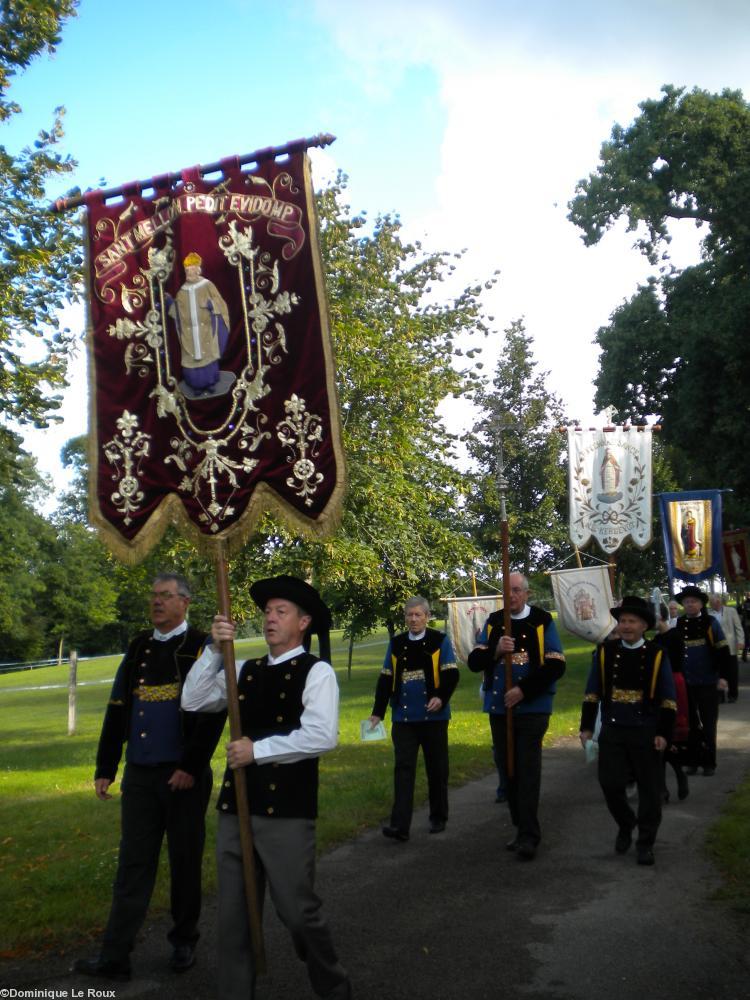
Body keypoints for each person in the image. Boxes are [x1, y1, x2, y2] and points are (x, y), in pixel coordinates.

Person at [181, 575, 351, 1000]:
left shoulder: (317, 672)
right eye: (267, 612)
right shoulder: (246, 670)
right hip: (234, 808)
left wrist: (256, 751)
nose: (270, 619)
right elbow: (193, 699)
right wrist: (215, 651)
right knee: (234, 918)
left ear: (304, 622)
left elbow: (321, 735)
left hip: (286, 811)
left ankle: (332, 986)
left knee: (298, 913)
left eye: (281, 612)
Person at [74, 574, 226, 981]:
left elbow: (213, 715)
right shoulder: (139, 645)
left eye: (165, 596)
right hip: (140, 776)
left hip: (183, 777)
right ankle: (115, 954)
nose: (157, 602)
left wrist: (190, 767)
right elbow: (118, 707)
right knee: (133, 864)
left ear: (185, 602)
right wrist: (106, 767)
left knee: (183, 863)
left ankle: (183, 942)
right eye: (153, 595)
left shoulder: (202, 646)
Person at [467, 573, 566, 860]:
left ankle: (529, 836)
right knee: (506, 767)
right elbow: (475, 661)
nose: (511, 596)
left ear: (527, 593)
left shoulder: (541, 621)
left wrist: (524, 690)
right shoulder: (495, 621)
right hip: (500, 708)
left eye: (516, 590)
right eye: (506, 591)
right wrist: (496, 651)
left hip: (532, 707)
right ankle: (519, 827)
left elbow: (556, 664)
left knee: (526, 768)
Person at [580, 596, 676, 866]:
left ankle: (645, 842)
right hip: (613, 729)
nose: (626, 626)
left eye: (632, 621)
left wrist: (663, 733)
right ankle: (626, 823)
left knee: (650, 790)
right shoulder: (605, 653)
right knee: (610, 783)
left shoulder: (658, 655)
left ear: (644, 625)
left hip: (646, 730)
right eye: (622, 621)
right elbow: (592, 693)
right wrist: (587, 727)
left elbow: (668, 698)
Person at [369, 596, 459, 841]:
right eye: (409, 615)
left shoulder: (440, 641)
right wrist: (378, 712)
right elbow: (386, 678)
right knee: (403, 769)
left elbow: (451, 674)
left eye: (418, 615)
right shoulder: (396, 643)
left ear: (427, 617)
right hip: (404, 718)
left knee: (437, 769)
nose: (413, 619)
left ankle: (438, 816)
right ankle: (400, 826)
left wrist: (441, 697)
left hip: (434, 717)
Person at [675, 585, 730, 775]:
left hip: (708, 680)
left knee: (708, 722)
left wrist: (723, 677)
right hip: (686, 683)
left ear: (701, 604)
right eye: (686, 601)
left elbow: (723, 651)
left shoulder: (711, 622)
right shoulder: (678, 623)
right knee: (689, 722)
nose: (689, 604)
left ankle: (708, 762)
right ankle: (692, 760)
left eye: (693, 601)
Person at [168, 251, 231, 392]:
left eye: (191, 270)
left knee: (207, 356)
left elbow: (220, 303)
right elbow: (176, 310)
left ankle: (210, 383)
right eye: (187, 270)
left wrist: (211, 305)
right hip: (189, 334)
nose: (189, 273)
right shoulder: (182, 291)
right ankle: (195, 385)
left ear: (198, 269)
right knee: (192, 360)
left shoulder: (207, 285)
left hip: (206, 330)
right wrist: (169, 302)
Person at [709, 594, 744, 702]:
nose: (717, 603)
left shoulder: (731, 611)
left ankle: (733, 694)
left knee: (732, 672)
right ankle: (720, 695)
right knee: (718, 672)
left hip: (730, 645)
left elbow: (738, 627)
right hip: (716, 647)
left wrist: (741, 641)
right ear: (711, 603)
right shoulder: (709, 614)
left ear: (721, 601)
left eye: (718, 600)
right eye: (714, 601)